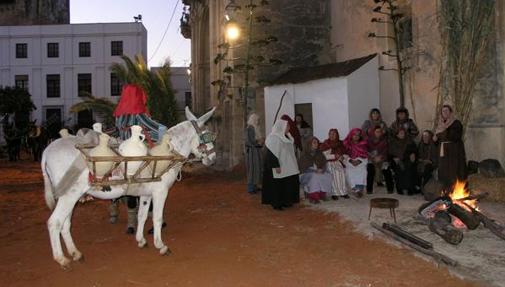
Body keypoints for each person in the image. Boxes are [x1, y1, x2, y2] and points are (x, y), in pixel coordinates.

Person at [262, 117, 300, 210]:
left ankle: (286, 201)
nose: (289, 128)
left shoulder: (287, 136)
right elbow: (271, 154)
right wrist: (276, 166)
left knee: (286, 184)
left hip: (288, 166)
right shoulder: (273, 138)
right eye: (287, 126)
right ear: (281, 126)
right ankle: (277, 203)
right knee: (277, 185)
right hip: (278, 166)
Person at [434, 104, 467, 189]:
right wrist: (435, 139)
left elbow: (455, 137)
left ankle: (455, 190)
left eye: (446, 111)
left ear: (451, 112)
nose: (444, 112)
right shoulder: (440, 124)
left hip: (454, 151)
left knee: (453, 171)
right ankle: (445, 190)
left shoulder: (456, 123)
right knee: (444, 171)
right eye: (443, 111)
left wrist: (442, 133)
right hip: (443, 152)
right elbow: (438, 140)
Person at [299, 137, 332, 204]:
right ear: (309, 144)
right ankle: (313, 197)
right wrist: (314, 171)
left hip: (318, 171)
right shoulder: (304, 154)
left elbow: (324, 163)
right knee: (314, 176)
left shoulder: (319, 153)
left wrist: (322, 170)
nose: (316, 144)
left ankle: (322, 194)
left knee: (328, 175)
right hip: (306, 174)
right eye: (314, 142)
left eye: (317, 142)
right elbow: (302, 168)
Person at [320, 129, 349, 200]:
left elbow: (345, 154)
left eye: (334, 134)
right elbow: (322, 156)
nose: (332, 135)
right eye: (330, 134)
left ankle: (343, 192)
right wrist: (334, 156)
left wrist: (342, 157)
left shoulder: (340, 143)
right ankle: (334, 193)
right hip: (328, 162)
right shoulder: (325, 143)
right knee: (332, 171)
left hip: (339, 162)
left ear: (337, 135)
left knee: (341, 172)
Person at [388, 129, 418, 195]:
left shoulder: (409, 141)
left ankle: (410, 188)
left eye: (403, 133)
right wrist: (393, 158)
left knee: (409, 167)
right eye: (400, 133)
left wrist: (413, 154)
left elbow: (415, 150)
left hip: (407, 159)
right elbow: (389, 153)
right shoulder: (393, 142)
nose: (402, 134)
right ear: (397, 134)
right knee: (399, 168)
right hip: (396, 160)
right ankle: (400, 188)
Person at [366, 126, 393, 194]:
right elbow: (366, 151)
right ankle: (369, 190)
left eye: (380, 132)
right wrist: (373, 158)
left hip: (382, 159)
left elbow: (386, 151)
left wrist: (380, 157)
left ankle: (390, 189)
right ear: (373, 132)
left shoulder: (384, 140)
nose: (379, 133)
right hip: (372, 159)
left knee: (387, 170)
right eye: (377, 132)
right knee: (370, 170)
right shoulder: (368, 141)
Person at [343, 128, 368, 197]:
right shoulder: (346, 144)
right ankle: (354, 189)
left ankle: (360, 189)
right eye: (354, 135)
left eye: (358, 135)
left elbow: (365, 155)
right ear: (351, 135)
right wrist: (350, 161)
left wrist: (359, 161)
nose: (356, 136)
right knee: (350, 172)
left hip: (360, 162)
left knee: (363, 171)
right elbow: (344, 155)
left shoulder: (363, 144)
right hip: (349, 162)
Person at [245, 113, 264, 194]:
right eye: (257, 120)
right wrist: (259, 142)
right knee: (253, 169)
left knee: (257, 168)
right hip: (253, 152)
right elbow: (250, 141)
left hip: (256, 150)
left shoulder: (255, 128)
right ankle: (251, 188)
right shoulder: (250, 128)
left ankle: (255, 186)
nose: (258, 121)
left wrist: (260, 141)